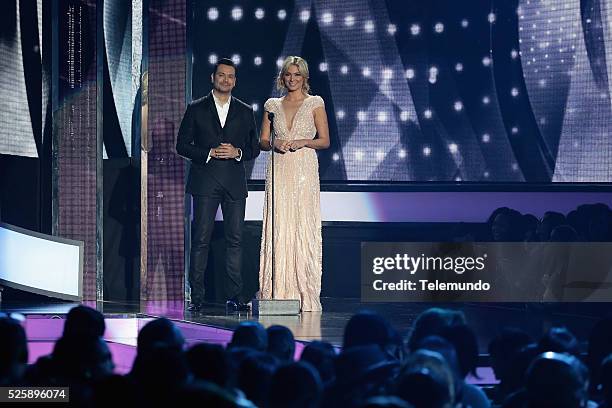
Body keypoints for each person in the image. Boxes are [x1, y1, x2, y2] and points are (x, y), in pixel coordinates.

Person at [176, 58, 260, 312]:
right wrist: (208, 152)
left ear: (235, 81)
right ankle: (197, 296)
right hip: (205, 181)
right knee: (201, 239)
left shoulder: (245, 111)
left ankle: (234, 296)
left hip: (234, 183)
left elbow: (254, 147)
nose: (226, 80)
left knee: (235, 240)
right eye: (221, 75)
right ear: (213, 78)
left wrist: (237, 152)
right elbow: (181, 145)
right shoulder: (196, 108)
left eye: (230, 76)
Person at [258, 56, 330, 312]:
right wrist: (273, 144)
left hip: (303, 170)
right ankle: (277, 291)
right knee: (280, 224)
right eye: (288, 74)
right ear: (282, 76)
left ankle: (303, 292)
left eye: (297, 75)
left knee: (301, 225)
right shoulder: (272, 104)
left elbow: (324, 140)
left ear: (304, 78)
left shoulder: (315, 103)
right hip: (279, 168)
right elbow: (262, 140)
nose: (292, 79)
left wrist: (303, 141)